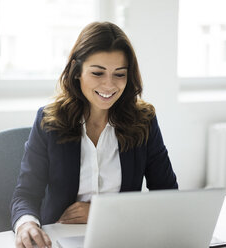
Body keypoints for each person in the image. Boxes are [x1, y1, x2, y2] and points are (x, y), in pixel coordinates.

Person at [10, 21, 178, 248]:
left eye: (119, 74)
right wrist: (26, 224)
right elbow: (25, 194)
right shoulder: (49, 121)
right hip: (60, 239)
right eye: (98, 73)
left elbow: (168, 196)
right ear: (77, 72)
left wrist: (102, 213)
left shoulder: (143, 121)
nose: (109, 85)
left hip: (122, 237)